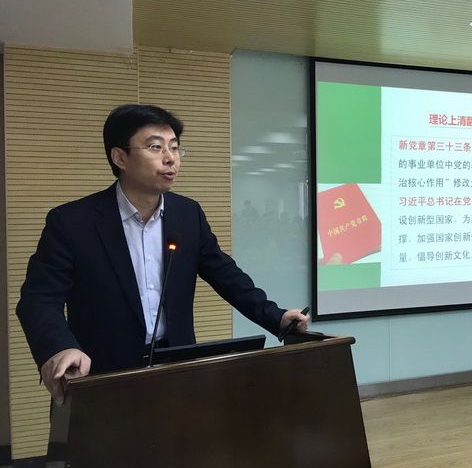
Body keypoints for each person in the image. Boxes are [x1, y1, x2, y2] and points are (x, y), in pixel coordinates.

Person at [16, 104, 309, 406]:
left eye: (175, 147)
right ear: (119, 157)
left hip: (177, 371)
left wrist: (276, 317)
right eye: (155, 147)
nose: (171, 158)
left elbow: (225, 275)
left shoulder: (187, 214)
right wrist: (60, 348)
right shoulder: (73, 222)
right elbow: (39, 298)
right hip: (100, 375)